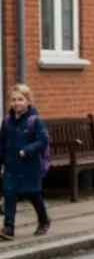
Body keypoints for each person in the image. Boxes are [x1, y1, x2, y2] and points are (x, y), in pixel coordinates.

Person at [0, 84, 52, 241]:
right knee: (9, 194)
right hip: (11, 165)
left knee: (33, 194)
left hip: (30, 166)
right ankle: (8, 228)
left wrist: (27, 150)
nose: (17, 103)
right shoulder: (7, 122)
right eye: (14, 100)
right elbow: (2, 144)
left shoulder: (34, 121)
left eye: (21, 100)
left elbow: (43, 141)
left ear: (28, 101)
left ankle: (44, 220)